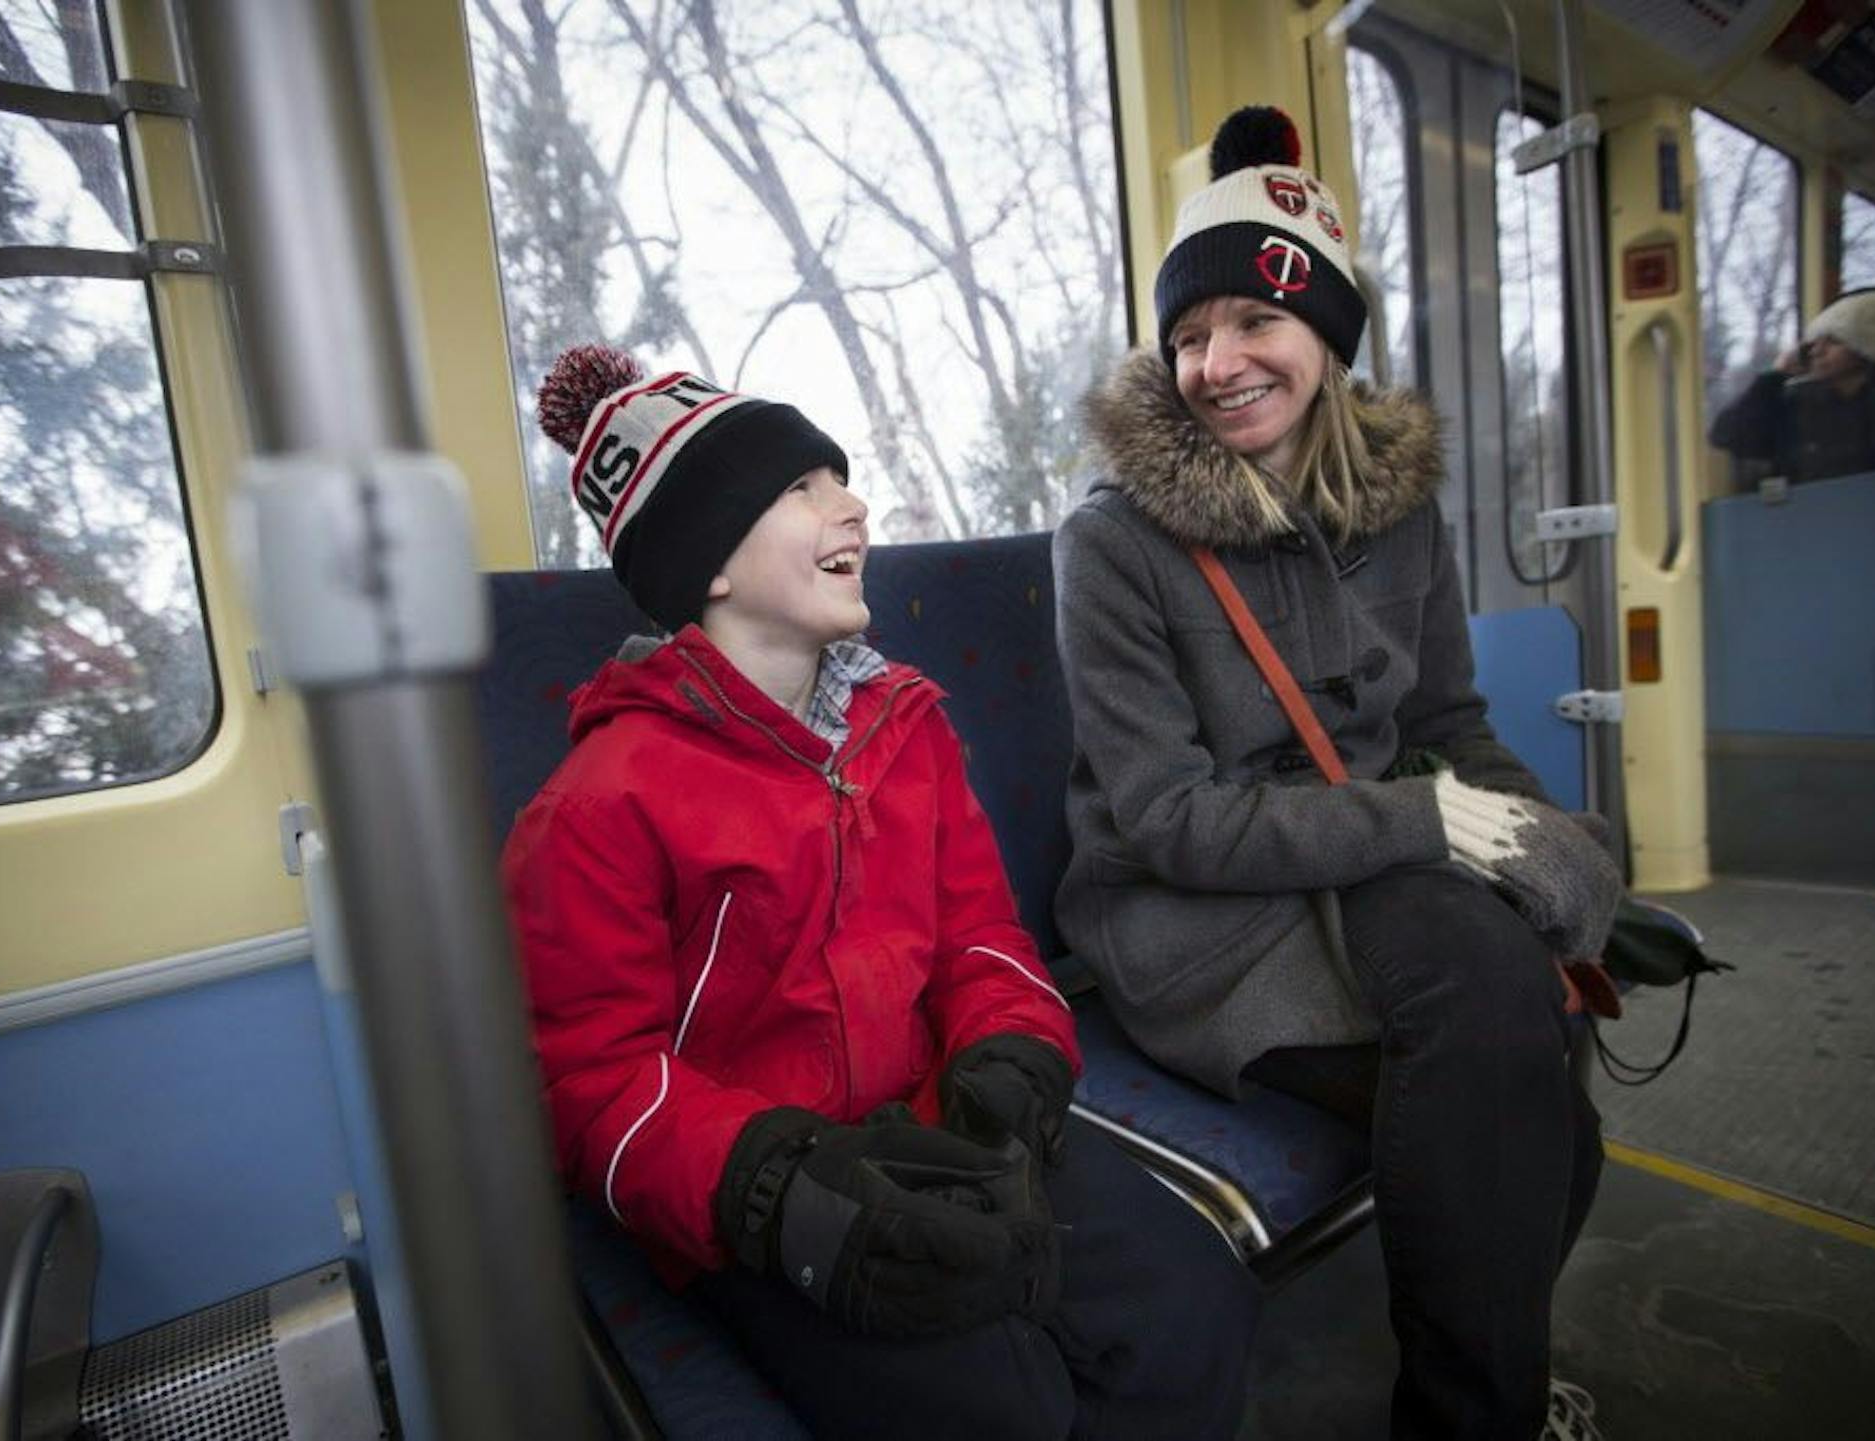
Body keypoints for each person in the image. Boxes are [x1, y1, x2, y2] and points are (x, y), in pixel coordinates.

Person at [503, 345, 1259, 1441]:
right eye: (801, 489)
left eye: (840, 478)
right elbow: (587, 1079)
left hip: (939, 1114)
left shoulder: (906, 728)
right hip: (761, 1190)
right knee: (1001, 1402)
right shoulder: (597, 804)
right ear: (707, 562)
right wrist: (776, 1188)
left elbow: (979, 938)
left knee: (1188, 1301)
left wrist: (1011, 1053)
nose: (851, 506)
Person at [1052, 106, 1622, 1440]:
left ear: (1328, 338)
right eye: (1189, 336)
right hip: (1206, 918)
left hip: (1368, 869)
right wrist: (1430, 819)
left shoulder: (1400, 511)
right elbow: (1169, 820)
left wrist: (1547, 841)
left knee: (1546, 1109)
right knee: (1509, 1064)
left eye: (1253, 322)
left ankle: (1482, 1392)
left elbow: (1449, 718)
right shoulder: (1116, 545)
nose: (1217, 362)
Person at [1708, 287, 1875, 484]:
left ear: (1870, 346)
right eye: (1815, 342)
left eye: (1834, 341)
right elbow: (1729, 436)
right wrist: (1774, 376)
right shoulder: (1798, 402)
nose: (1817, 351)